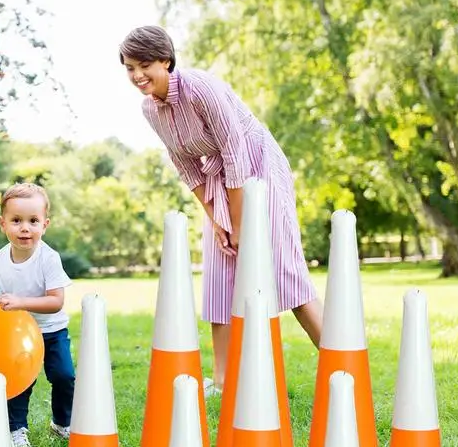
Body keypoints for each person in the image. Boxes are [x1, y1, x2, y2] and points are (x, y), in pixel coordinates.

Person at [119, 26, 323, 395]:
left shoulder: (200, 88)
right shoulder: (150, 109)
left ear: (166, 60)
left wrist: (241, 223)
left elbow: (235, 151)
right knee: (221, 273)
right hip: (221, 179)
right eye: (130, 67)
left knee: (282, 267)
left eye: (144, 65)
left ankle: (339, 362)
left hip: (257, 166)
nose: (136, 75)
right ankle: (224, 381)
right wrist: (218, 219)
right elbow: (184, 164)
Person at [0, 183, 75, 447]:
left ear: (45, 225)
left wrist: (21, 302)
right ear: (3, 224)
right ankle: (16, 431)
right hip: (18, 335)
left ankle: (62, 423)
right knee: (20, 382)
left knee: (64, 376)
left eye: (33, 221)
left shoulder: (49, 258)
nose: (25, 228)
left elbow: (56, 302)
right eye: (17, 221)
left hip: (52, 331)